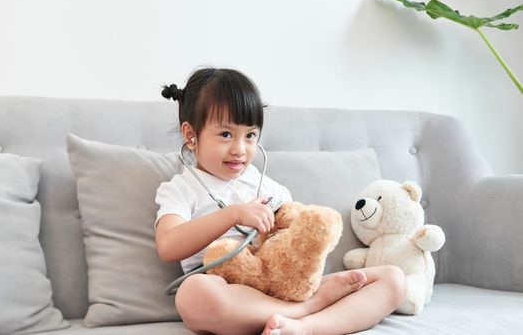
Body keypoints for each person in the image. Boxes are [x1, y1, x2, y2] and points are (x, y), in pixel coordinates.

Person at [155, 67, 407, 335]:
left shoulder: (268, 186)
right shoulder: (181, 189)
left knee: (394, 279)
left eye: (250, 135)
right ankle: (306, 311)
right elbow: (169, 245)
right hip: (226, 289)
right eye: (226, 134)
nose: (240, 149)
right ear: (191, 136)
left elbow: (295, 243)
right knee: (191, 294)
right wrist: (234, 214)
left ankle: (304, 328)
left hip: (279, 282)